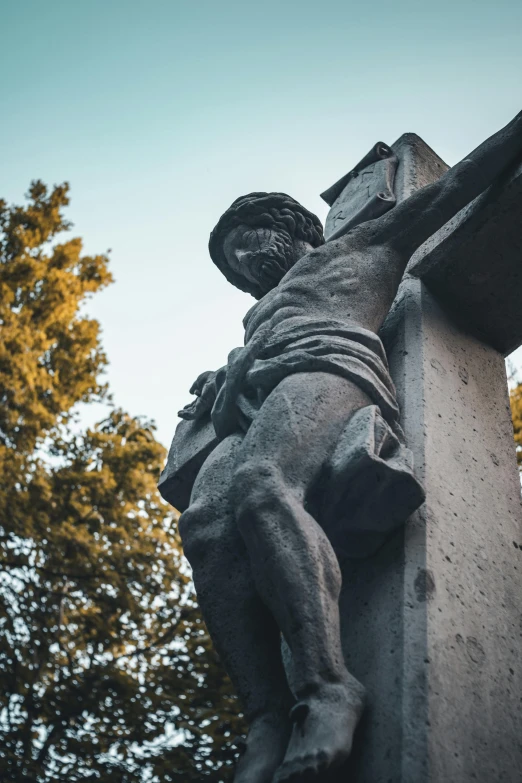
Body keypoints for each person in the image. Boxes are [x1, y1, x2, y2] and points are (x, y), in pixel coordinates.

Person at [176, 109, 522, 783]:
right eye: (231, 264)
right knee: (208, 527)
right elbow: (252, 348)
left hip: (327, 369)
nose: (243, 264)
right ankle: (267, 717)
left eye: (247, 242)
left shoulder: (363, 244)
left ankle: (327, 685)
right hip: (252, 401)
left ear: (291, 226)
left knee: (262, 488)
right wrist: (228, 370)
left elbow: (462, 186)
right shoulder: (254, 317)